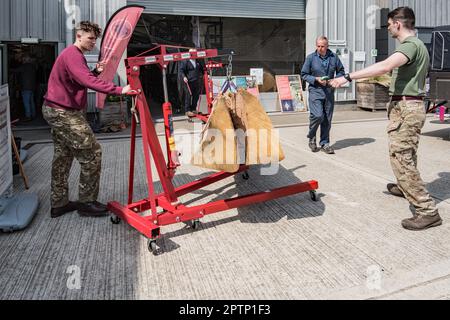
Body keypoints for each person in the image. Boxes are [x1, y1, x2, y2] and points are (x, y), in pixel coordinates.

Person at [330, 7, 442, 231]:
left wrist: (347, 77)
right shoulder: (417, 45)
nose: (388, 27)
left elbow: (386, 65)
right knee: (406, 153)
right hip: (408, 105)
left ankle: (427, 211)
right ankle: (405, 186)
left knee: (401, 157)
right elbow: (391, 72)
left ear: (398, 24)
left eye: (389, 24)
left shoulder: (410, 45)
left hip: (407, 107)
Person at [42, 21, 131, 219]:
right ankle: (86, 203)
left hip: (57, 109)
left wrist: (95, 72)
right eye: (90, 38)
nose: (93, 43)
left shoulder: (73, 55)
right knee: (92, 154)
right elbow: (86, 82)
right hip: (63, 112)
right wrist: (120, 90)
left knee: (62, 156)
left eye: (95, 39)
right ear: (79, 36)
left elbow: (78, 81)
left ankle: (59, 204)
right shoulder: (73, 54)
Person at [301, 36, 345, 154]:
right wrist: (315, 79)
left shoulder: (334, 57)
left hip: (329, 91)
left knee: (327, 119)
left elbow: (341, 71)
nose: (320, 48)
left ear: (327, 46)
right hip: (315, 91)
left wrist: (335, 80)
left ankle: (325, 143)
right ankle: (312, 136)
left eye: (322, 46)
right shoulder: (310, 58)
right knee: (318, 115)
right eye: (318, 46)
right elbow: (304, 74)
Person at [178, 48, 204, 117]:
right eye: (193, 53)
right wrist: (184, 77)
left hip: (197, 81)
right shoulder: (186, 61)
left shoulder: (197, 61)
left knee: (196, 95)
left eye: (195, 53)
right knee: (188, 95)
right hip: (188, 82)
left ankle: (193, 109)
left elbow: (202, 69)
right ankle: (187, 110)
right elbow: (181, 70)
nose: (194, 54)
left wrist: (206, 74)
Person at [15, 55, 37, 121]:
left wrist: (6, 68)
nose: (22, 60)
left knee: (26, 102)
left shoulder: (24, 66)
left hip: (25, 87)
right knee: (31, 102)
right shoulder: (33, 67)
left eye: (23, 59)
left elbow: (16, 71)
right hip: (32, 87)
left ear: (25, 60)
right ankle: (33, 114)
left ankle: (28, 116)